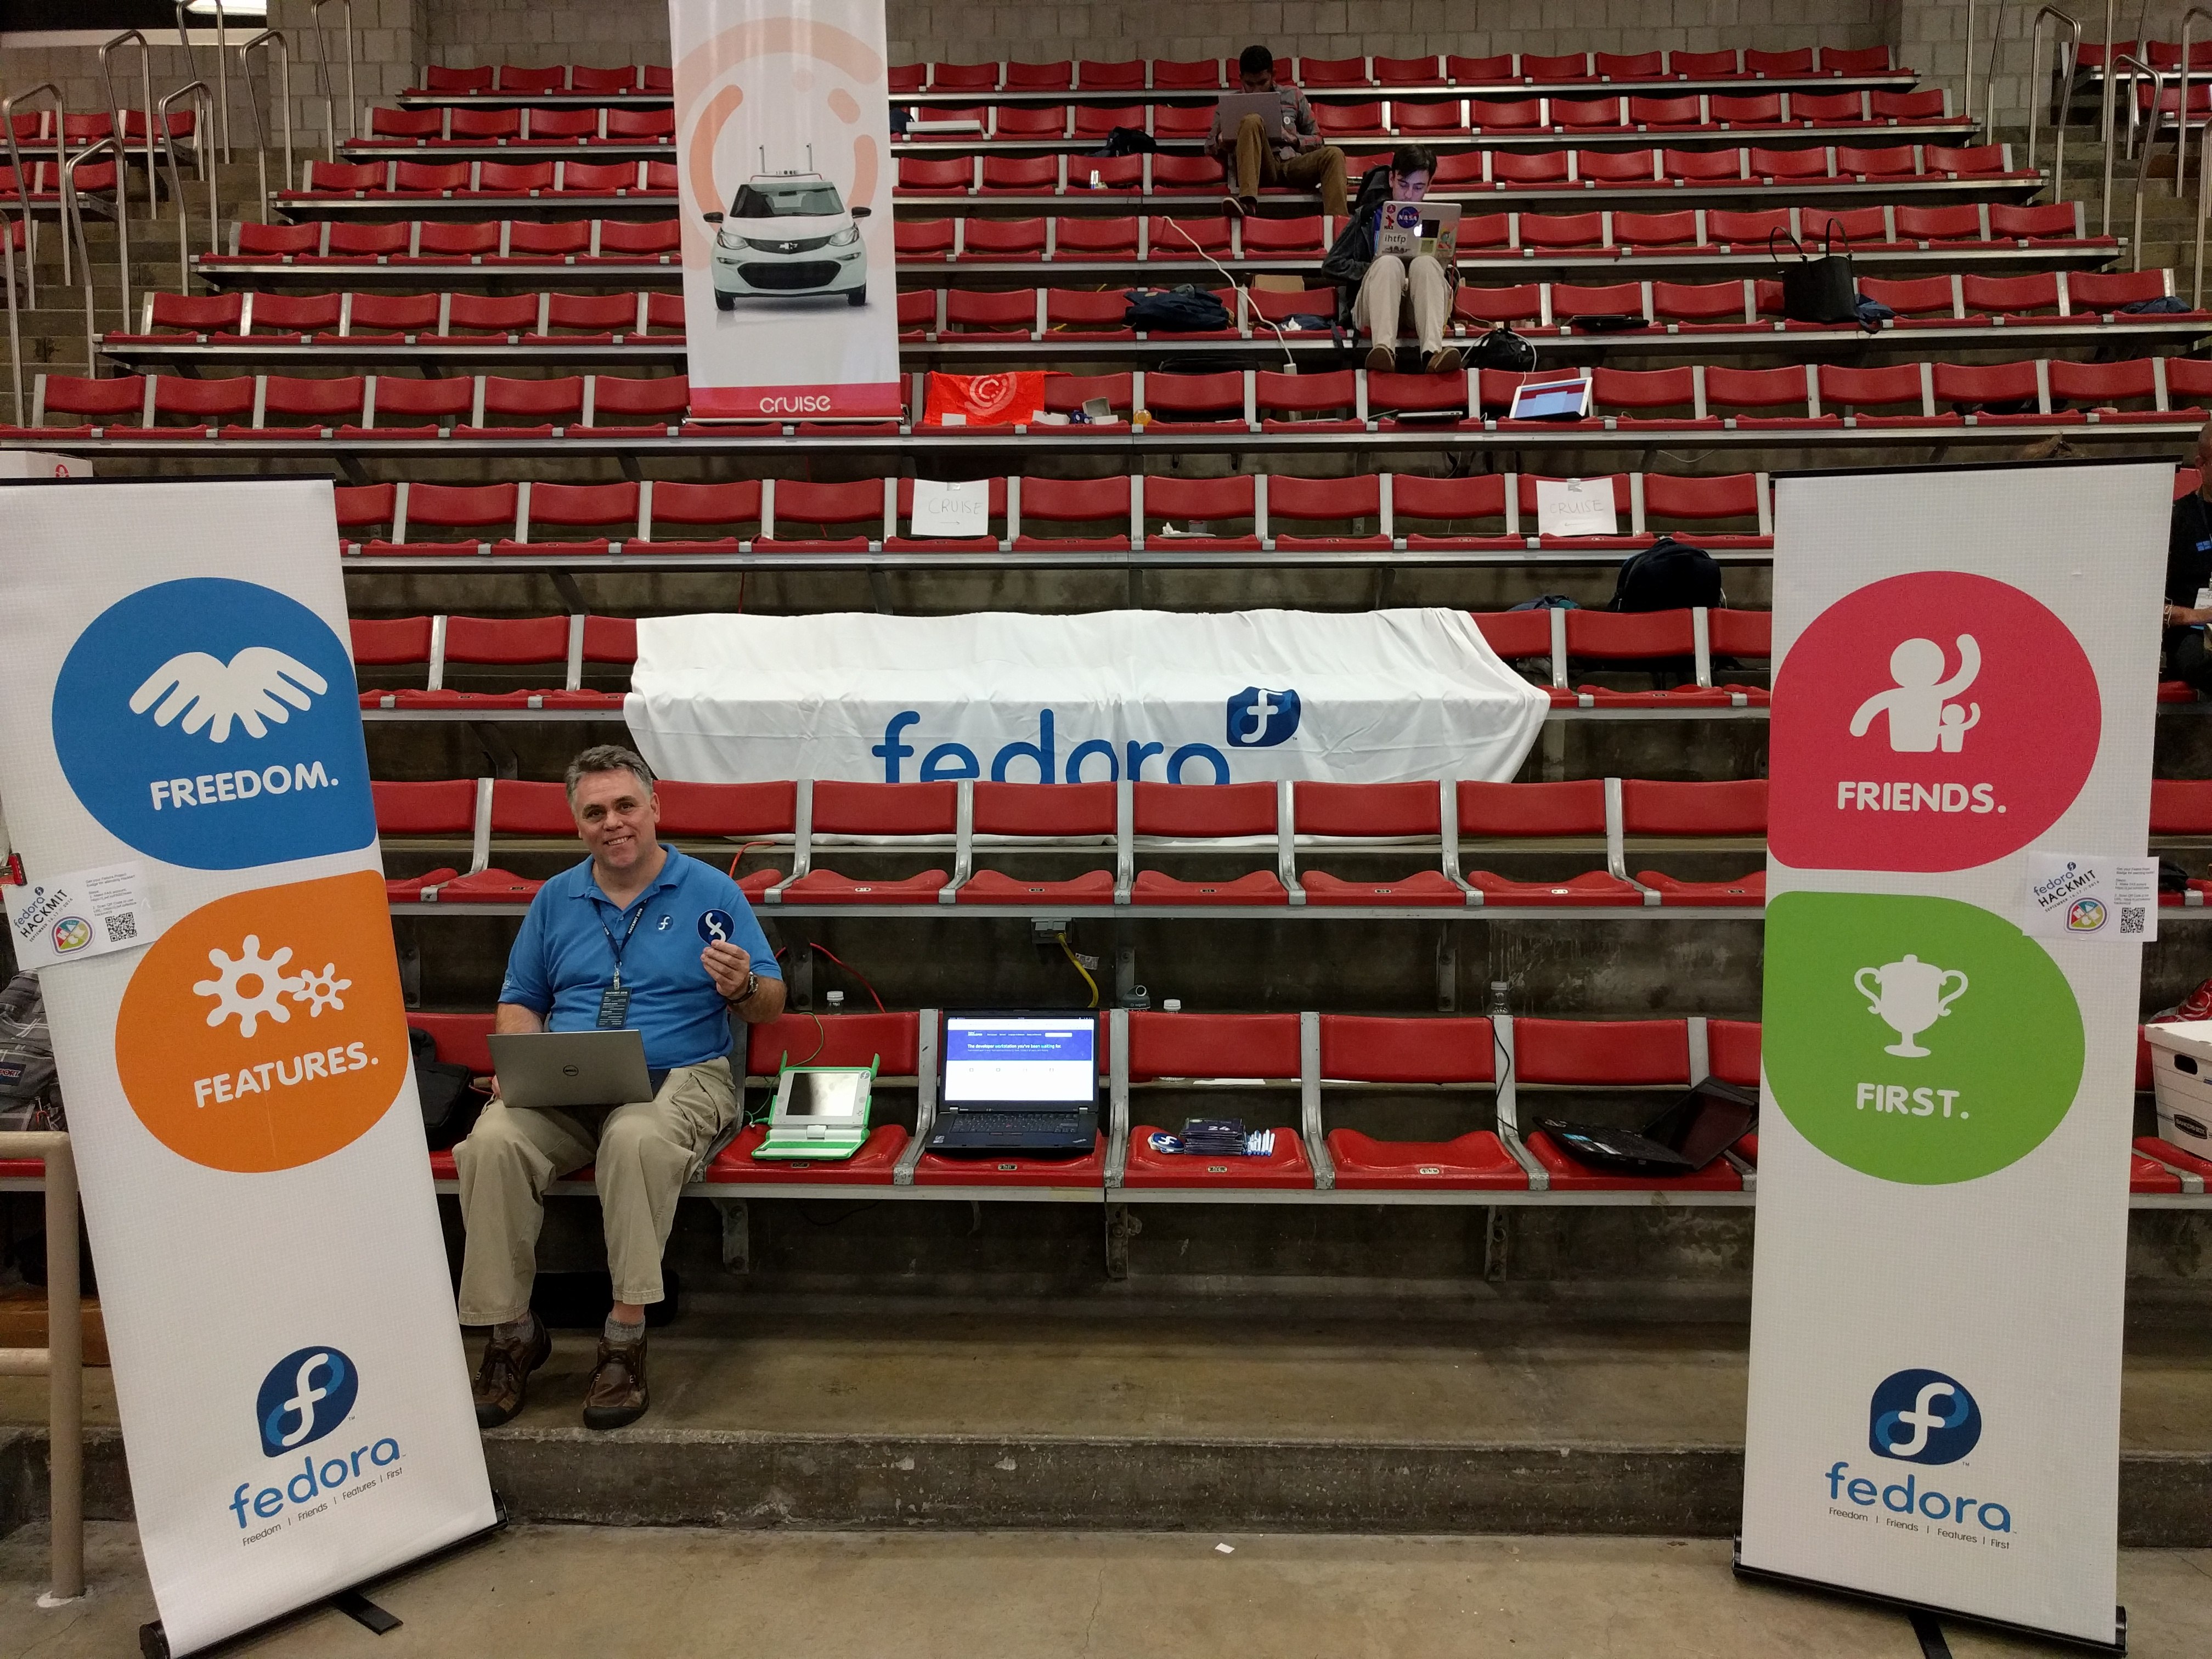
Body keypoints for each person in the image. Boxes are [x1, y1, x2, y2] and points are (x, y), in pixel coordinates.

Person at [458, 744, 786, 1432]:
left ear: (654, 807)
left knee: (635, 1138)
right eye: (596, 812)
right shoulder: (556, 899)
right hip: (569, 1080)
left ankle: (624, 1338)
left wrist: (743, 986)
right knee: (490, 1143)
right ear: (578, 824)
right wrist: (520, 1061)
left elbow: (770, 1004)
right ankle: (511, 1333)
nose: (613, 822)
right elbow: (521, 999)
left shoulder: (711, 892)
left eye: (626, 806)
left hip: (682, 1076)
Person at [1332, 144, 1460, 375]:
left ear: (1429, 186)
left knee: (1426, 263)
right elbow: (1332, 264)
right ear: (1392, 179)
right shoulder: (1368, 215)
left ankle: (1432, 354)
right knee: (1388, 263)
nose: (1409, 195)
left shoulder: (1438, 219)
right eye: (1403, 185)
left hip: (1417, 306)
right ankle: (1384, 351)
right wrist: (1373, 268)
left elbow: (1447, 276)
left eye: (1418, 187)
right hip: (1375, 304)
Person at [1210, 44, 1347, 218]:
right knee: (1251, 121)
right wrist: (1221, 141)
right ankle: (1248, 202)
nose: (1256, 90)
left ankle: (1340, 225)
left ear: (1273, 75)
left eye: (1262, 82)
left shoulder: (1293, 95)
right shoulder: (1231, 105)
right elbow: (1209, 145)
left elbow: (1318, 140)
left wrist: (1292, 138)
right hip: (1261, 169)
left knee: (1334, 154)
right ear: (1241, 78)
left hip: (1293, 165)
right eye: (1249, 84)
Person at [2166, 422, 2212, 693]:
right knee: (2199, 662)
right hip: (2192, 630)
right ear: (2201, 464)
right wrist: (2199, 615)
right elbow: (2149, 604)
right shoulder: (2176, 518)